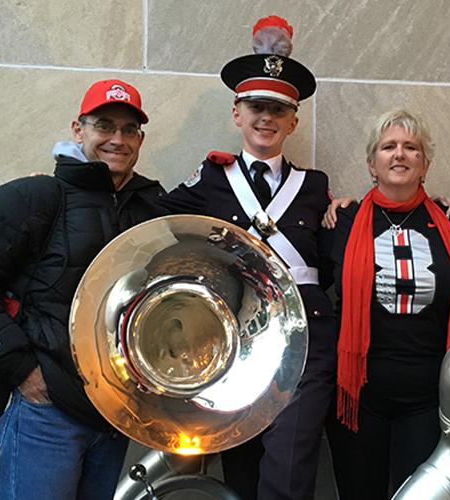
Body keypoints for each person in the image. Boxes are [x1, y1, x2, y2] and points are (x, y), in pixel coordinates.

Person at [0, 79, 168, 500]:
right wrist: (22, 369)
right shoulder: (36, 195)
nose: (117, 139)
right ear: (79, 130)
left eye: (128, 129)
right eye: (104, 126)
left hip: (113, 417)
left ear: (140, 139)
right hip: (46, 412)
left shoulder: (150, 207)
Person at [153, 16, 336, 500]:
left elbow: (337, 257)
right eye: (256, 106)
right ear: (237, 113)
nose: (266, 117)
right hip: (237, 338)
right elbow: (150, 219)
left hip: (306, 338)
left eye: (278, 108)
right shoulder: (211, 179)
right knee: (242, 467)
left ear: (293, 121)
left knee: (290, 466)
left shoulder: (315, 187)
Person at [325, 109, 450, 499]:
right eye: (388, 147)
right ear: (373, 163)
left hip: (428, 395)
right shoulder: (343, 222)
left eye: (411, 147)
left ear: (425, 163)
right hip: (358, 394)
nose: (399, 154)